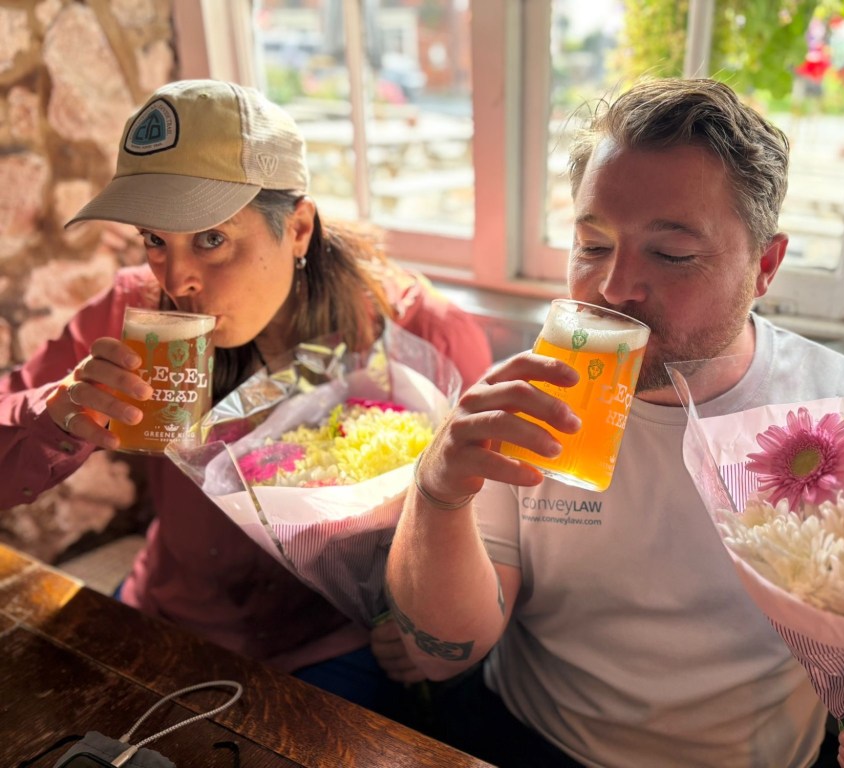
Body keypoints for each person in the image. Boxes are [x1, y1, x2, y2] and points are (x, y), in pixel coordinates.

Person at [384, 79, 844, 767]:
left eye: (672, 254)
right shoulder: (521, 404)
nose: (614, 288)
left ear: (765, 266)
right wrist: (437, 490)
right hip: (529, 740)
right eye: (593, 245)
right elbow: (443, 652)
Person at [0, 79, 491, 717]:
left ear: (298, 228)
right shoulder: (133, 311)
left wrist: (424, 618)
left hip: (332, 647)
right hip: (164, 615)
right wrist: (53, 414)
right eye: (155, 239)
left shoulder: (421, 333)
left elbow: (492, 530)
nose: (177, 281)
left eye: (211, 238)